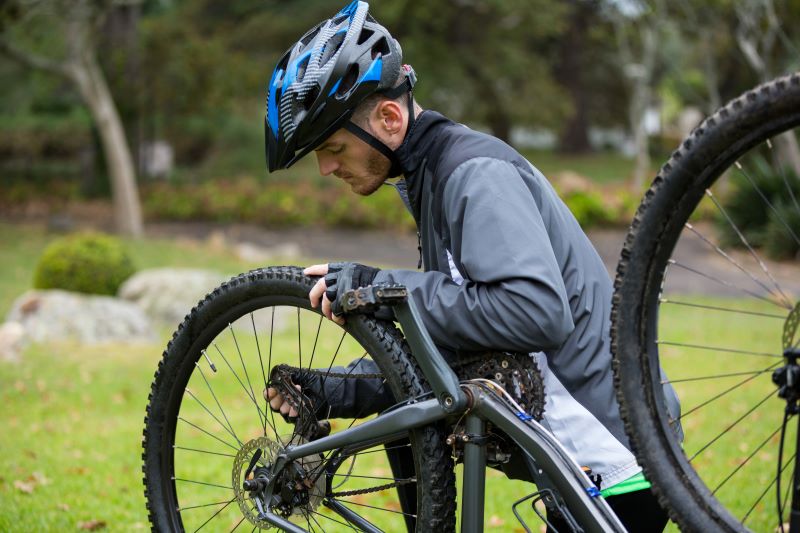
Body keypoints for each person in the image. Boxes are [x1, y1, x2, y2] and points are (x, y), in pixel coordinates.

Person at [263, 2, 678, 531]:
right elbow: (465, 341)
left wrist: (379, 288)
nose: (325, 168)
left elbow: (534, 313)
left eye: (333, 147)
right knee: (404, 419)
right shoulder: (435, 177)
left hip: (614, 462)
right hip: (586, 464)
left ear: (389, 119)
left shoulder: (473, 174)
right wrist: (338, 388)